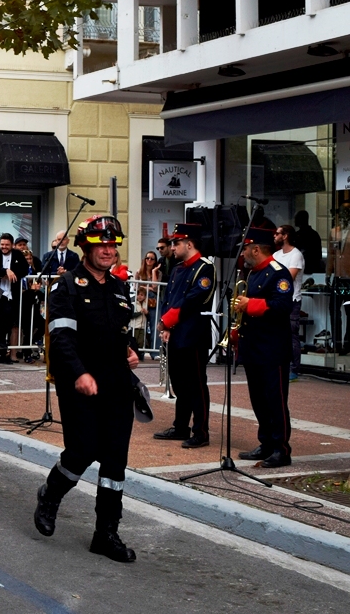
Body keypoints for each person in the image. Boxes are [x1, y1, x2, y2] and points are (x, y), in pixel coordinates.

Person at [33, 215, 141, 563]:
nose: (108, 250)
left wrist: (130, 349)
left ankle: (106, 533)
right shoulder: (67, 285)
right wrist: (79, 373)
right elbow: (61, 337)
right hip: (80, 384)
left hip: (116, 384)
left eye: (113, 245)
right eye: (101, 245)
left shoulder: (119, 287)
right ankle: (50, 495)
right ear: (85, 247)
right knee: (82, 451)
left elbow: (121, 329)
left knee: (115, 460)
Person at [234, 227, 295, 469]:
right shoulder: (252, 274)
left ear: (256, 249)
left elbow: (282, 306)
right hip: (253, 346)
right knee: (258, 399)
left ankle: (281, 448)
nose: (244, 254)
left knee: (275, 400)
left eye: (246, 249)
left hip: (272, 349)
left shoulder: (277, 273)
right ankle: (266, 442)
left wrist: (250, 305)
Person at [154, 223, 216, 449]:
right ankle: (181, 426)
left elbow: (193, 300)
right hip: (176, 334)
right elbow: (169, 298)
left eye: (176, 243)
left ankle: (201, 431)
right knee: (179, 384)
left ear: (189, 244)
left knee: (197, 385)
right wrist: (167, 326)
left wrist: (165, 322)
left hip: (193, 335)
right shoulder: (178, 267)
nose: (172, 247)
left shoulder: (204, 268)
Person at [0, 233, 31, 364]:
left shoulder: (18, 255)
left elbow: (25, 269)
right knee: (5, 319)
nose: (4, 247)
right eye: (2, 244)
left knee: (10, 322)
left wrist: (13, 272)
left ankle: (6, 352)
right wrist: (5, 271)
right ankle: (2, 352)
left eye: (7, 245)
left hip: (13, 293)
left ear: (12, 245)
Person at [273, 225, 305, 381]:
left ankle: (294, 369)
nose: (274, 236)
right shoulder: (276, 254)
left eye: (277, 234)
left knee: (292, 335)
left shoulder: (296, 255)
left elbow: (288, 278)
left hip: (292, 300)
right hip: (277, 300)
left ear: (285, 236)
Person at [294, 210, 322, 274]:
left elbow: (317, 254)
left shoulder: (311, 235)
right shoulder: (314, 234)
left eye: (296, 218)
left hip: (308, 267)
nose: (294, 220)